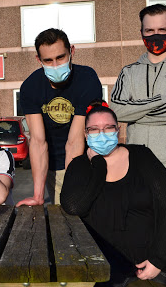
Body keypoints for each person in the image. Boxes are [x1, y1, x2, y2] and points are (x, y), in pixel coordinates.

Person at [60, 101, 166, 287]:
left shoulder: (142, 156)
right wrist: (98, 164)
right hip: (113, 261)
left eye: (108, 128)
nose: (102, 134)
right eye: (94, 130)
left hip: (163, 249)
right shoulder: (80, 166)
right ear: (86, 134)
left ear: (118, 129)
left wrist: (158, 260)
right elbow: (73, 206)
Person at [109, 3, 166, 233]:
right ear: (141, 33)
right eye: (149, 31)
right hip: (137, 165)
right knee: (140, 229)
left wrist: (136, 112)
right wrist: (161, 100)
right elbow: (116, 111)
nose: (156, 35)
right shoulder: (129, 72)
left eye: (162, 30)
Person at [17, 28, 102, 206]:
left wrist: (72, 186)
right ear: (38, 60)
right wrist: (38, 196)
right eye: (48, 60)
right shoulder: (30, 87)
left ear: (72, 51)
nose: (55, 65)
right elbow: (38, 141)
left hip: (85, 160)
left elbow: (75, 140)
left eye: (60, 57)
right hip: (51, 166)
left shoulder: (87, 79)